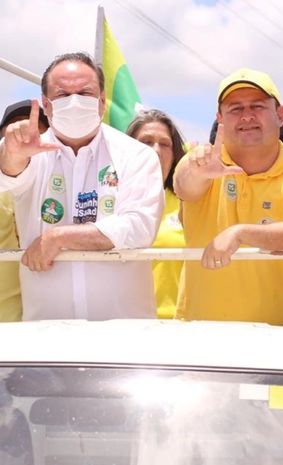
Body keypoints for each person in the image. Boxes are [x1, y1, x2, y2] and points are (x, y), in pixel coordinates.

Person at [0, 52, 164, 320]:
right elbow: (7, 178)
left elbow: (139, 227)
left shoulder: (136, 155)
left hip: (125, 328)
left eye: (85, 93)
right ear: (46, 105)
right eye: (63, 95)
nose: (74, 102)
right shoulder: (28, 151)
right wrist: (11, 157)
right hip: (46, 327)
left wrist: (59, 237)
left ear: (101, 101)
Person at [173, 68, 283, 324]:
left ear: (279, 115)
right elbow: (184, 187)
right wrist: (199, 172)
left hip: (281, 334)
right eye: (235, 108)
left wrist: (240, 233)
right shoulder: (200, 161)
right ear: (220, 119)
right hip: (201, 331)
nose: (247, 116)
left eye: (257, 106)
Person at [126, 110, 186, 319]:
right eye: (146, 142)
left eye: (165, 144)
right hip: (119, 324)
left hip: (177, 326)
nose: (156, 150)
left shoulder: (189, 203)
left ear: (175, 154)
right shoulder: (107, 200)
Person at [0, 100, 50, 322]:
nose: (26, 137)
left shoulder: (63, 187)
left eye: (37, 131)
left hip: (46, 317)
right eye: (15, 128)